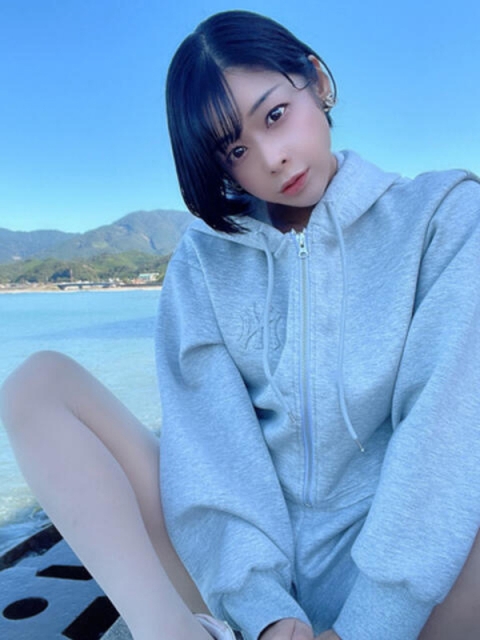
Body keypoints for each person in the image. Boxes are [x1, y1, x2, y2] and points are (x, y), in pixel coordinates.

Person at [1, 9, 479, 640]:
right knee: (37, 385)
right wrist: (265, 612)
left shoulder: (441, 216)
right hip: (242, 578)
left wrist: (367, 625)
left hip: (415, 590)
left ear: (316, 81)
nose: (273, 158)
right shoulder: (203, 262)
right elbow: (210, 449)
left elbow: (443, 441)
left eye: (275, 114)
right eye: (236, 150)